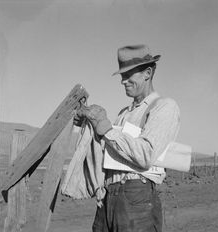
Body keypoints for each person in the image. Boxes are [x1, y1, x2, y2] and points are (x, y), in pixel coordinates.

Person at [76, 44, 180, 232]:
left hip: (136, 197)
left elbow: (146, 154)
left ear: (147, 73)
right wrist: (89, 124)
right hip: (109, 196)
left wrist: (106, 128)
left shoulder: (164, 107)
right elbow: (110, 151)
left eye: (128, 75)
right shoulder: (123, 114)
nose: (123, 81)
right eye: (122, 76)